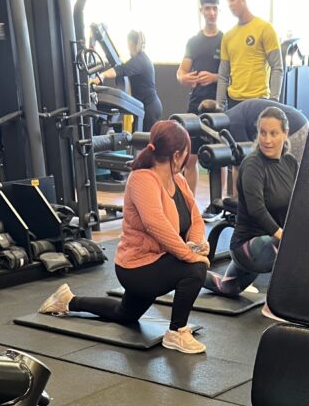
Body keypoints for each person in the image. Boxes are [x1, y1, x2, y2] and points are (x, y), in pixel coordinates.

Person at [39, 121, 209, 355]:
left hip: (160, 261)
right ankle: (176, 332)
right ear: (177, 154)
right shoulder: (142, 179)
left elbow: (196, 217)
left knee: (125, 314)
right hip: (137, 267)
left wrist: (197, 244)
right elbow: (155, 224)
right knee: (195, 270)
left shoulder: (177, 180)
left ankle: (67, 300)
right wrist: (190, 256)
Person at [202, 106, 296, 316]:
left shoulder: (290, 163)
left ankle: (189, 272)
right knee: (293, 247)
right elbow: (256, 209)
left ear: (285, 133)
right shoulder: (253, 165)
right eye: (263, 133)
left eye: (273, 133)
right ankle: (274, 306)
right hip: (247, 246)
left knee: (227, 288)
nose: (267, 140)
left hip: (267, 245)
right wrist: (284, 236)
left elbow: (298, 201)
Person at [177, 0, 223, 193]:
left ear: (219, 10)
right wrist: (183, 78)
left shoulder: (226, 40)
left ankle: (218, 204)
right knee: (190, 158)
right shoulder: (193, 41)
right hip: (195, 104)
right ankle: (190, 204)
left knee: (219, 157)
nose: (211, 13)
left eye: (215, 9)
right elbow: (181, 72)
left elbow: (232, 74)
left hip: (217, 106)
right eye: (208, 9)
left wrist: (214, 77)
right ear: (201, 10)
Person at [216, 0, 282, 110]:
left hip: (259, 101)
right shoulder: (228, 36)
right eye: (228, 0)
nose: (230, 4)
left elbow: (277, 67)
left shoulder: (265, 28)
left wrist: (274, 102)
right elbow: (223, 76)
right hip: (234, 102)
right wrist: (219, 108)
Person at [199, 96, 308, 162]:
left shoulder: (233, 125)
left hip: (296, 130)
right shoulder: (231, 115)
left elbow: (243, 159)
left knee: (290, 180)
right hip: (299, 122)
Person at [100, 30, 162, 132]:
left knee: (142, 139)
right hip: (145, 107)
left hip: (150, 108)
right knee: (136, 137)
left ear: (131, 43)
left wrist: (101, 75)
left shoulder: (140, 60)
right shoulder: (139, 59)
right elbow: (123, 69)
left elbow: (121, 70)